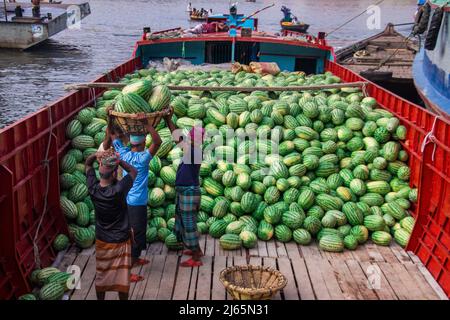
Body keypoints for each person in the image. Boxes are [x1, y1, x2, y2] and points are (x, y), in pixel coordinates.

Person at [111, 115, 162, 282]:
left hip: (127, 201)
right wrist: (147, 124)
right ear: (141, 144)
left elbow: (112, 136)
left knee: (135, 232)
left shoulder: (123, 154)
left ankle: (137, 258)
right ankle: (128, 271)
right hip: (137, 203)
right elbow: (158, 142)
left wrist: (110, 117)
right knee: (136, 235)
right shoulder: (142, 159)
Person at [85, 150, 137, 300]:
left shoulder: (93, 189)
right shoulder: (119, 190)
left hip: (102, 240)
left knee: (102, 275)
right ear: (114, 174)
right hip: (120, 240)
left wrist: (97, 156)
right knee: (122, 278)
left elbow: (88, 164)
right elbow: (133, 171)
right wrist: (118, 161)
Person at [165, 110, 205, 267]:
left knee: (189, 224)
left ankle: (196, 258)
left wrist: (168, 120)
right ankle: (196, 249)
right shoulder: (193, 150)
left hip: (189, 192)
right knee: (184, 221)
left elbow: (177, 138)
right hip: (186, 191)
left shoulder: (194, 151)